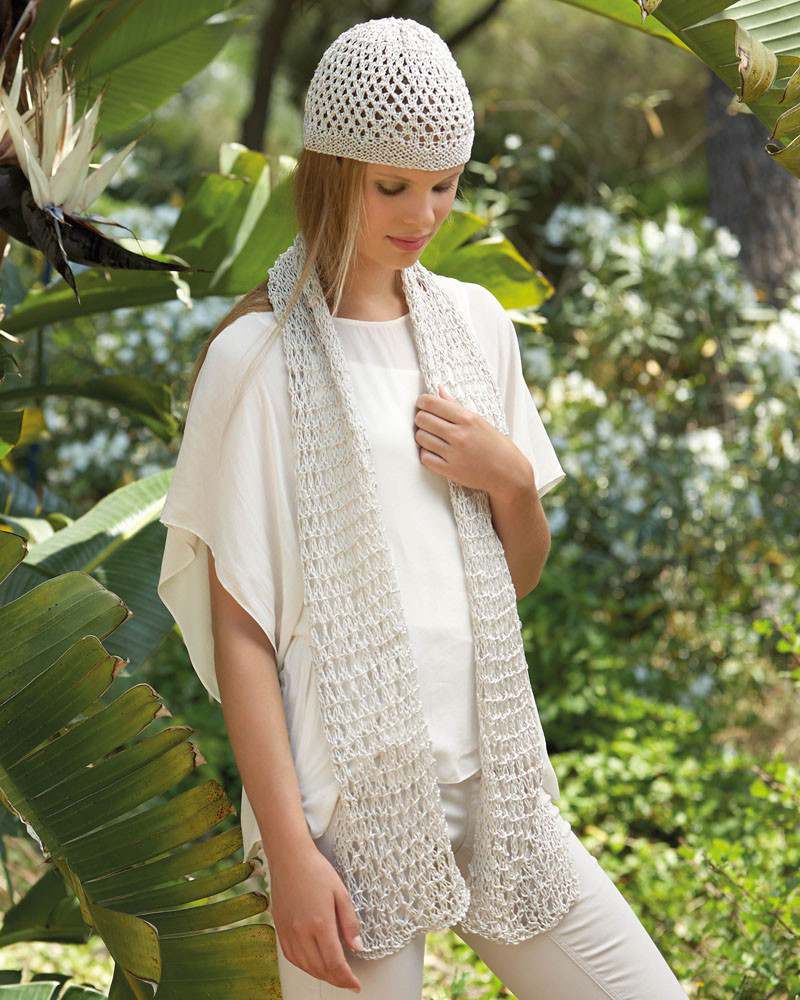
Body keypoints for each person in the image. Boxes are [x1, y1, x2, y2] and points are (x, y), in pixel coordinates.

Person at [157, 16, 690, 1000]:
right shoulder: (256, 360)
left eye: (443, 184)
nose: (423, 213)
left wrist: (511, 480)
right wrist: (290, 853)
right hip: (344, 812)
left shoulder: (475, 329)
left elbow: (513, 575)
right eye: (392, 186)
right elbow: (241, 632)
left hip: (497, 787)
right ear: (330, 172)